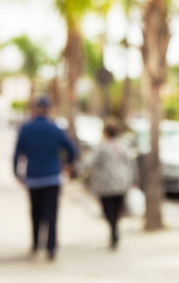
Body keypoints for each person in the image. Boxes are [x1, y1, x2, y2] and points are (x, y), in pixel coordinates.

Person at [13, 96, 76, 261]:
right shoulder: (55, 128)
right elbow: (71, 150)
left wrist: (17, 174)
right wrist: (68, 165)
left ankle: (35, 244)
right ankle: (51, 247)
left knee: (35, 212)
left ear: (34, 109)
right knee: (52, 213)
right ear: (48, 109)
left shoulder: (26, 128)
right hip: (52, 178)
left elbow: (17, 153)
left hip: (33, 178)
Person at [86, 118, 135, 250]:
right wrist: (132, 180)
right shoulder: (122, 146)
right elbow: (130, 164)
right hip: (121, 183)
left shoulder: (102, 147)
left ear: (105, 132)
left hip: (106, 185)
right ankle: (114, 230)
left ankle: (113, 231)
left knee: (108, 211)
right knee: (116, 210)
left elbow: (89, 162)